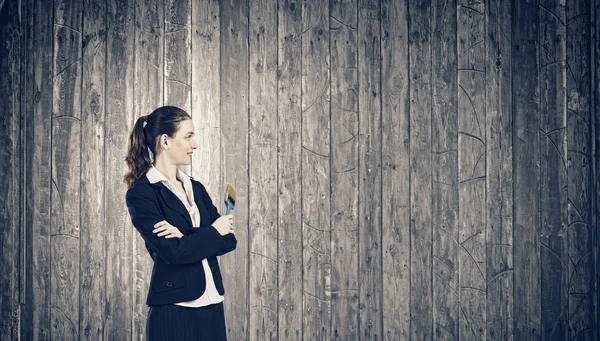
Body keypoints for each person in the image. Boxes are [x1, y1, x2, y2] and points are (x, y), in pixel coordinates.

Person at [123, 105, 236, 340]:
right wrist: (212, 231)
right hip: (174, 309)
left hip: (213, 303)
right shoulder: (142, 194)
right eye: (188, 136)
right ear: (165, 141)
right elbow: (172, 253)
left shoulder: (197, 188)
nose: (195, 144)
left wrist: (186, 237)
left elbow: (228, 240)